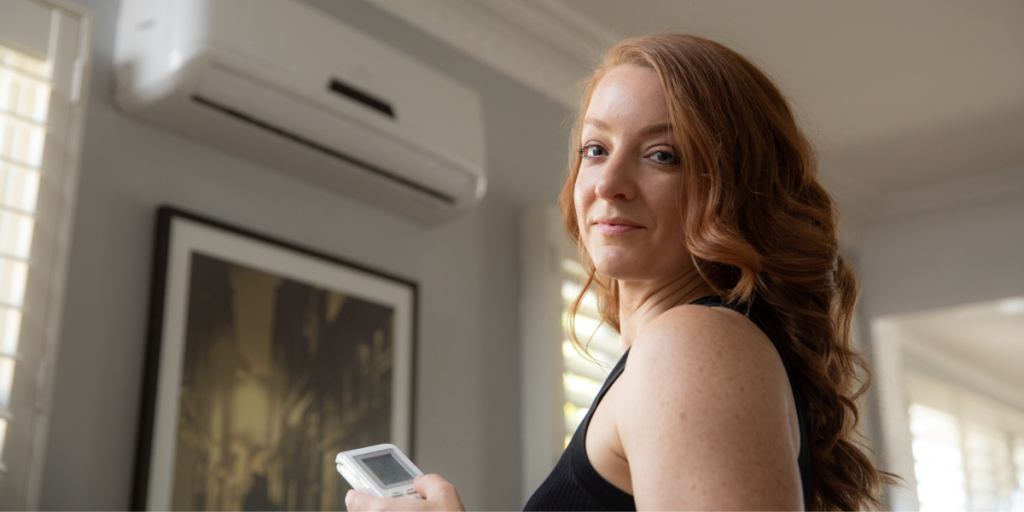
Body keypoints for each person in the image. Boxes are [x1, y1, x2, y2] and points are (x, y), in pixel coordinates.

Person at [346, 34, 896, 512]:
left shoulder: (692, 344)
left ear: (737, 190)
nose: (609, 182)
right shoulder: (680, 353)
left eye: (662, 155)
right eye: (595, 148)